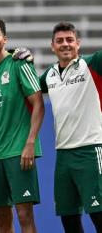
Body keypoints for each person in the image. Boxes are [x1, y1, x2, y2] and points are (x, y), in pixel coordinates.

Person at [0, 15, 44, 233]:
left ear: (5, 39)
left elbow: (39, 104)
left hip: (19, 153)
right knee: (1, 220)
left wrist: (30, 143)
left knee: (25, 217)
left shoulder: (19, 64)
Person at [39, 22, 102, 233]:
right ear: (52, 46)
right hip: (63, 155)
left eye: (69, 40)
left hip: (90, 151)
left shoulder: (92, 64)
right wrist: (16, 56)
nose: (65, 44)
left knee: (98, 215)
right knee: (69, 219)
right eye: (60, 41)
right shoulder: (49, 74)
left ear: (78, 43)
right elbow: (25, 88)